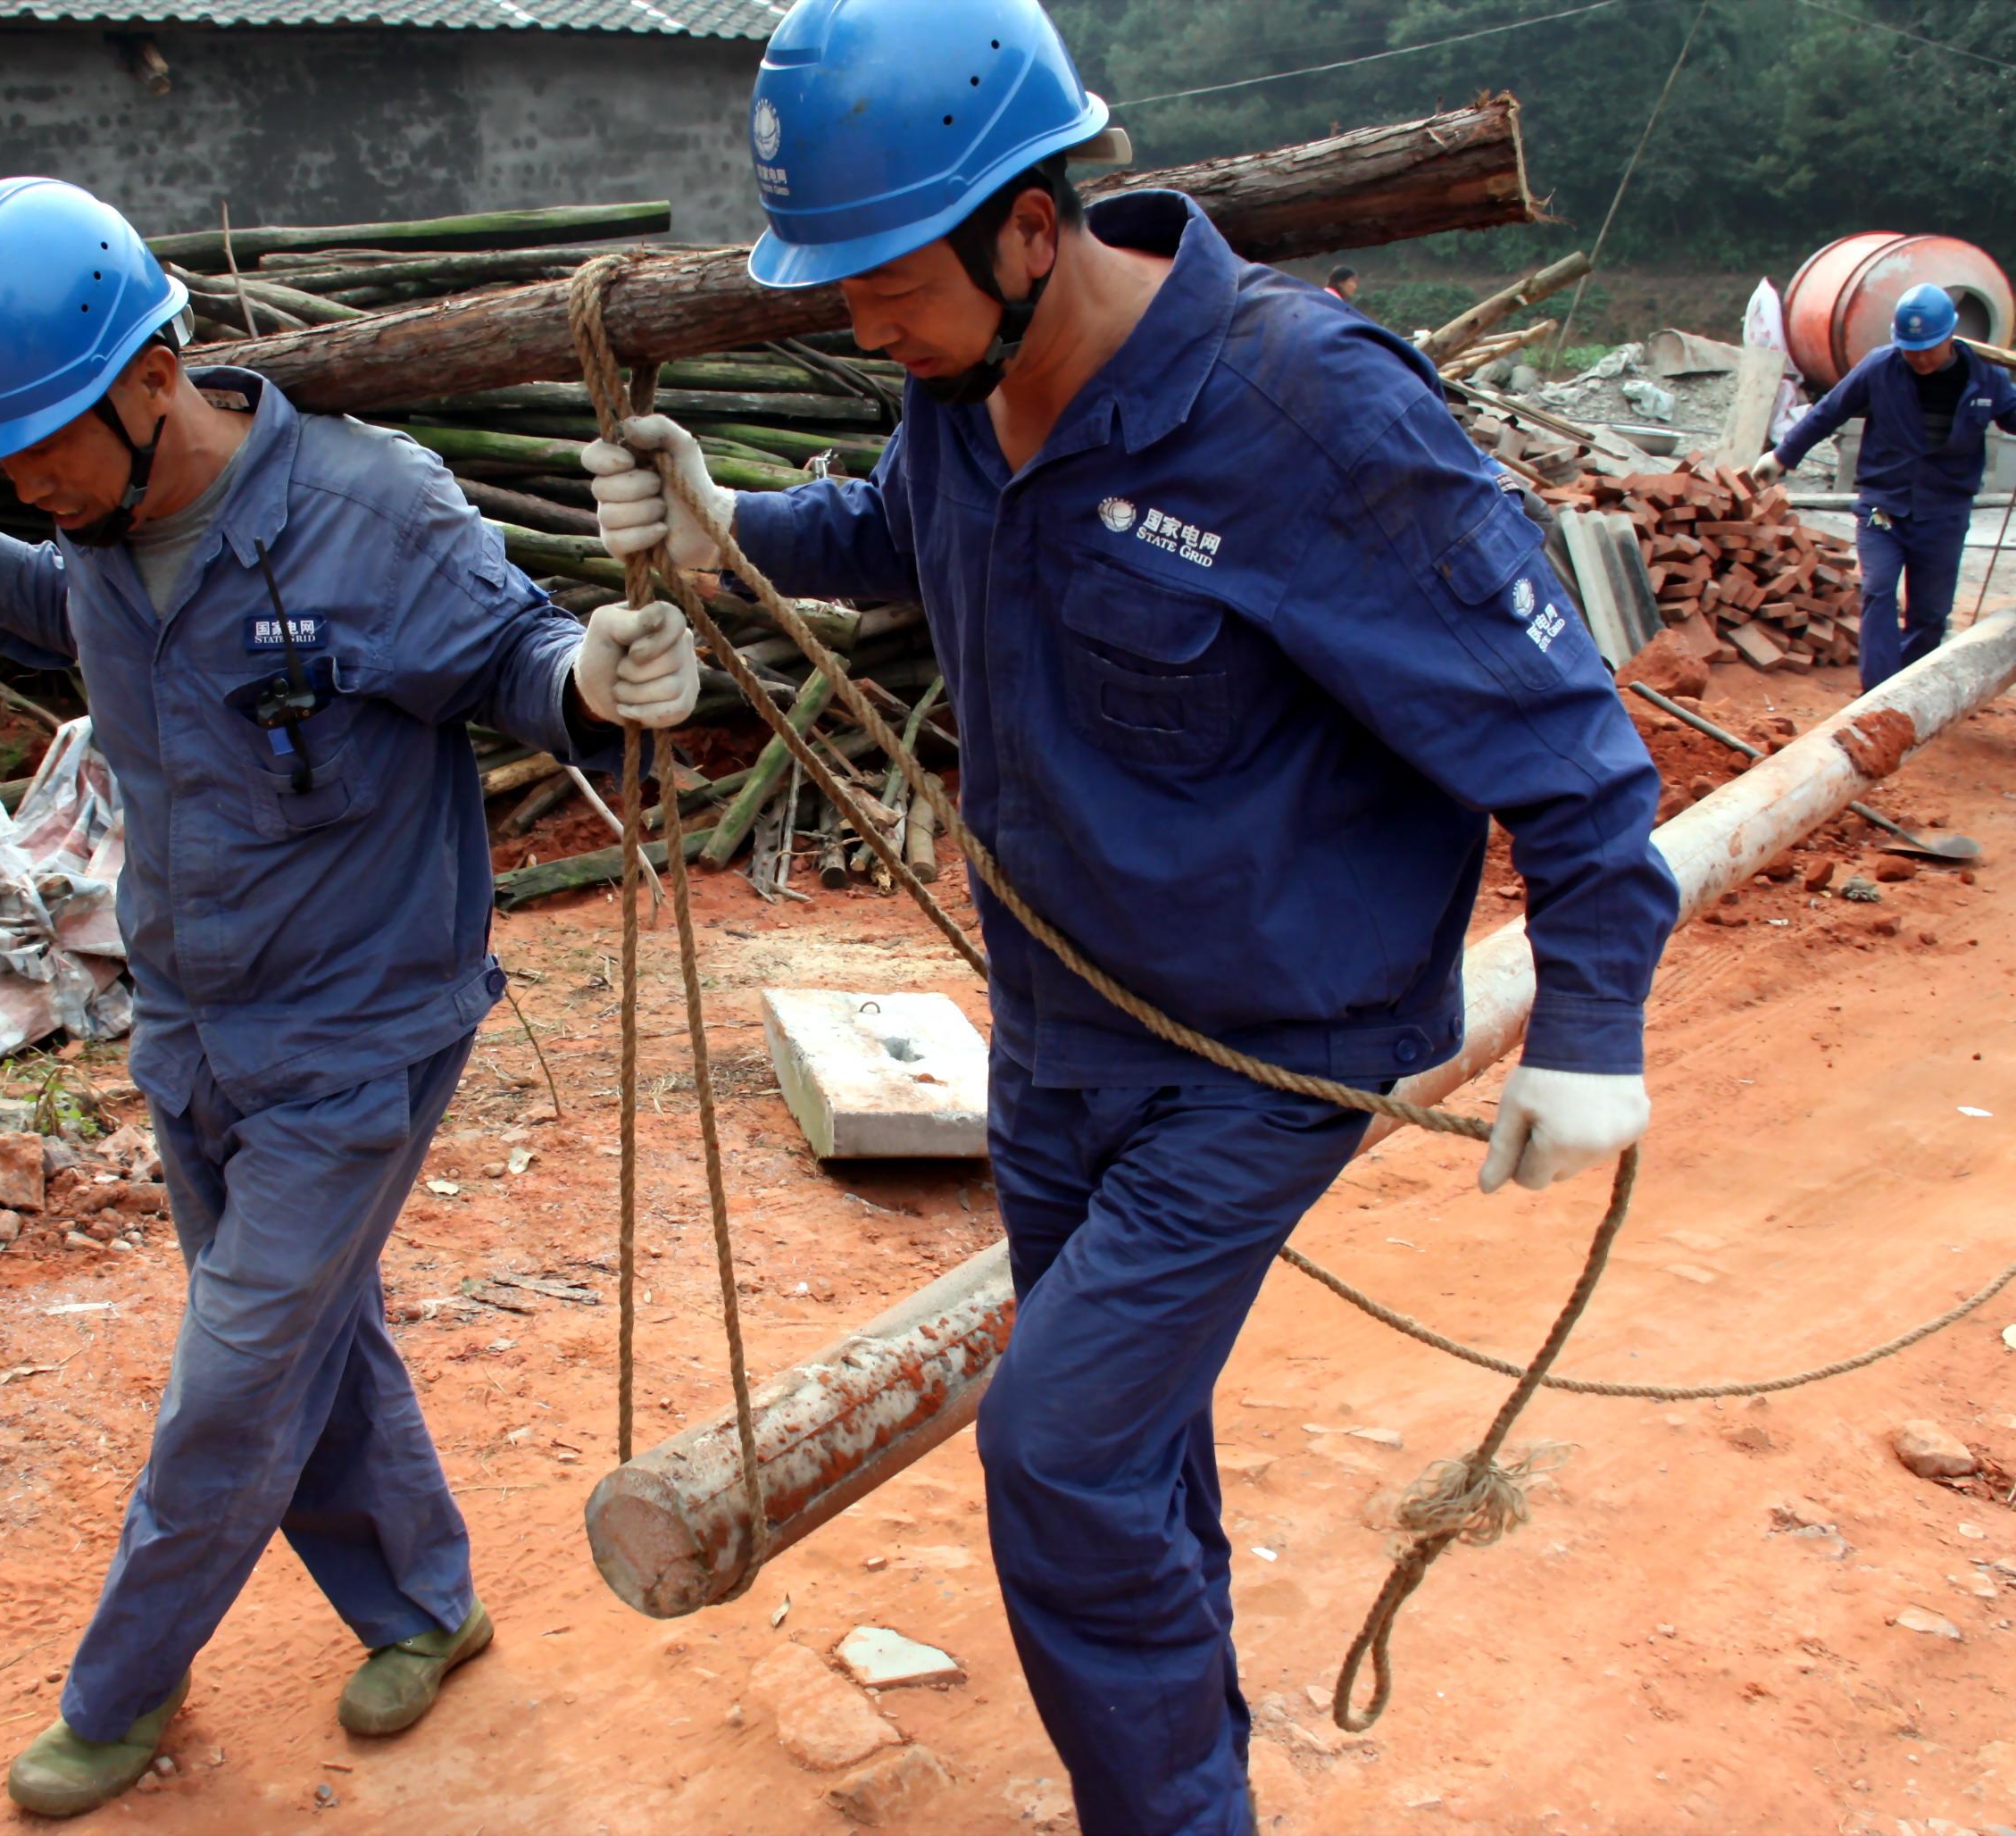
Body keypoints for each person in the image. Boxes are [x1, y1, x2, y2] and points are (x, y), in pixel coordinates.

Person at [582, 4, 1676, 1830]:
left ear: (1029, 224)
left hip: (1265, 1051)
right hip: (1064, 1027)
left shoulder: (1304, 412)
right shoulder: (959, 393)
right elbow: (890, 527)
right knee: (1130, 1439)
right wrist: (727, 531)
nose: (856, 318)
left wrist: (1589, 1026)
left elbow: (1564, 747)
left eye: (883, 277)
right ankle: (1191, 1755)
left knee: (1060, 1449)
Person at [0, 177, 698, 1818]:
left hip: (361, 1035)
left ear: (151, 382)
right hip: (192, 1032)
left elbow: (517, 664)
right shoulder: (95, 528)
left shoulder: (370, 516)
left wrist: (596, 684)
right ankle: (426, 1609)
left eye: (40, 451)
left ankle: (117, 1692)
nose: (25, 485)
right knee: (318, 1340)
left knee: (236, 1377)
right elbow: (72, 614)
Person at [1752, 283, 2016, 689]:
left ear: (1949, 337)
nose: (1916, 358)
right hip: (1885, 504)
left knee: (1930, 616)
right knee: (1879, 591)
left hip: (1945, 510)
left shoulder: (1984, 375)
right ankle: (1876, 695)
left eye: (1925, 349)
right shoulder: (1881, 367)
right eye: (1909, 349)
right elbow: (1829, 411)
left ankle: (1907, 690)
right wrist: (1781, 457)